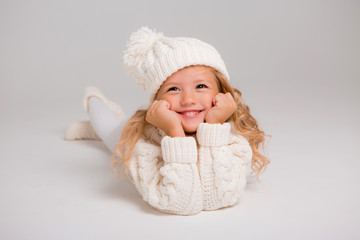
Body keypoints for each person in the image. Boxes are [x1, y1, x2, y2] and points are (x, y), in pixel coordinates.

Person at [66, 26, 270, 215]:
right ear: (157, 100)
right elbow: (179, 203)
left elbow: (218, 198)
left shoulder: (233, 138)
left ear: (222, 93)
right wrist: (174, 131)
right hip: (138, 131)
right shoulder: (142, 143)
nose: (189, 100)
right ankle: (95, 100)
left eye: (201, 86)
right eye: (173, 89)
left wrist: (214, 127)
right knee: (107, 129)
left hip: (194, 125)